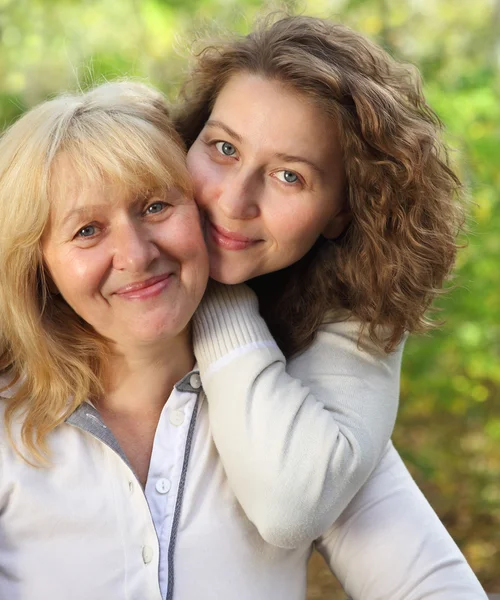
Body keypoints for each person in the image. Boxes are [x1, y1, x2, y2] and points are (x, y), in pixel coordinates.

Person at [0, 82, 486, 599]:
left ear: (198, 213)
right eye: (87, 231)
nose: (136, 255)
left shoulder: (296, 420)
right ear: (39, 265)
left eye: (156, 207)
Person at [172, 13, 465, 547]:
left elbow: (291, 506)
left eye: (290, 176)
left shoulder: (359, 300)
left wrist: (216, 294)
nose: (233, 203)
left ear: (342, 213)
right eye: (224, 148)